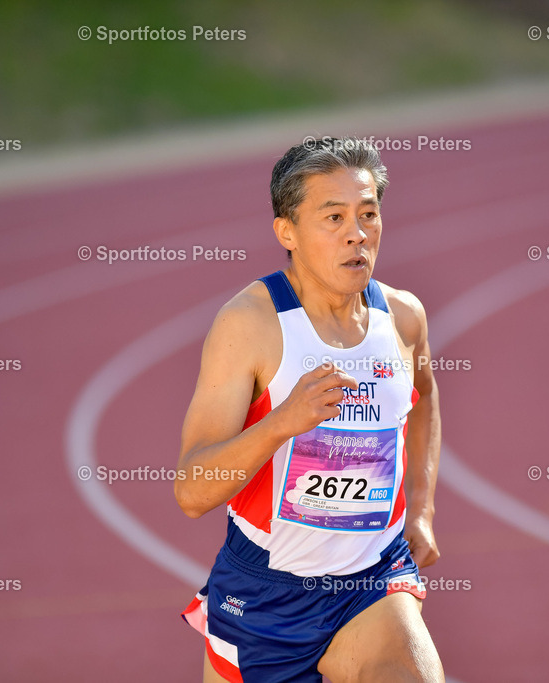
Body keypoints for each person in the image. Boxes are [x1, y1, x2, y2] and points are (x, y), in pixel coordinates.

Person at [177, 136, 444, 682]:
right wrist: (281, 424)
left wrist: (421, 507)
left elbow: (423, 400)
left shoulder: (404, 318)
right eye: (334, 217)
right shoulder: (249, 325)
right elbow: (192, 492)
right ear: (287, 233)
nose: (357, 233)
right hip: (265, 595)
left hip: (372, 577)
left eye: (369, 214)